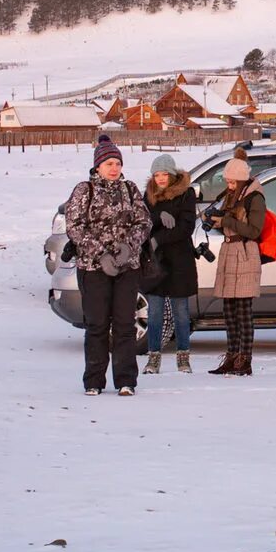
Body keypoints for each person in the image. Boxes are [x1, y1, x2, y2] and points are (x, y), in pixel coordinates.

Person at [64, 134, 153, 396]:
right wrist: (100, 253)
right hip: (93, 269)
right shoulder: (84, 190)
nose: (114, 169)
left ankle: (126, 380)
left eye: (117, 163)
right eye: (109, 164)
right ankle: (94, 380)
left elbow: (144, 222)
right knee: (97, 325)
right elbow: (75, 226)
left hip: (127, 267)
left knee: (125, 324)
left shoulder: (131, 189)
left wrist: (128, 248)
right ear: (97, 167)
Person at [142, 153, 199, 374]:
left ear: (172, 174)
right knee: (155, 312)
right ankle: (153, 358)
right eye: (157, 175)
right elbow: (143, 222)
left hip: (179, 262)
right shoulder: (147, 196)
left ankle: (183, 358)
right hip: (155, 263)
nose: (161, 179)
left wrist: (159, 238)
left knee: (181, 312)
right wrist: (158, 217)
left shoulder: (186, 194)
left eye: (164, 174)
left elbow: (185, 227)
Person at [208, 148, 264, 376]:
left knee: (243, 311)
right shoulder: (232, 196)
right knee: (229, 311)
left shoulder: (255, 197)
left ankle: (245, 360)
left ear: (241, 180)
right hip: (229, 252)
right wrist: (216, 223)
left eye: (232, 182)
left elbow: (254, 230)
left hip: (245, 253)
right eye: (228, 182)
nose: (229, 186)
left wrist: (227, 220)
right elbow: (228, 224)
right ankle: (231, 358)